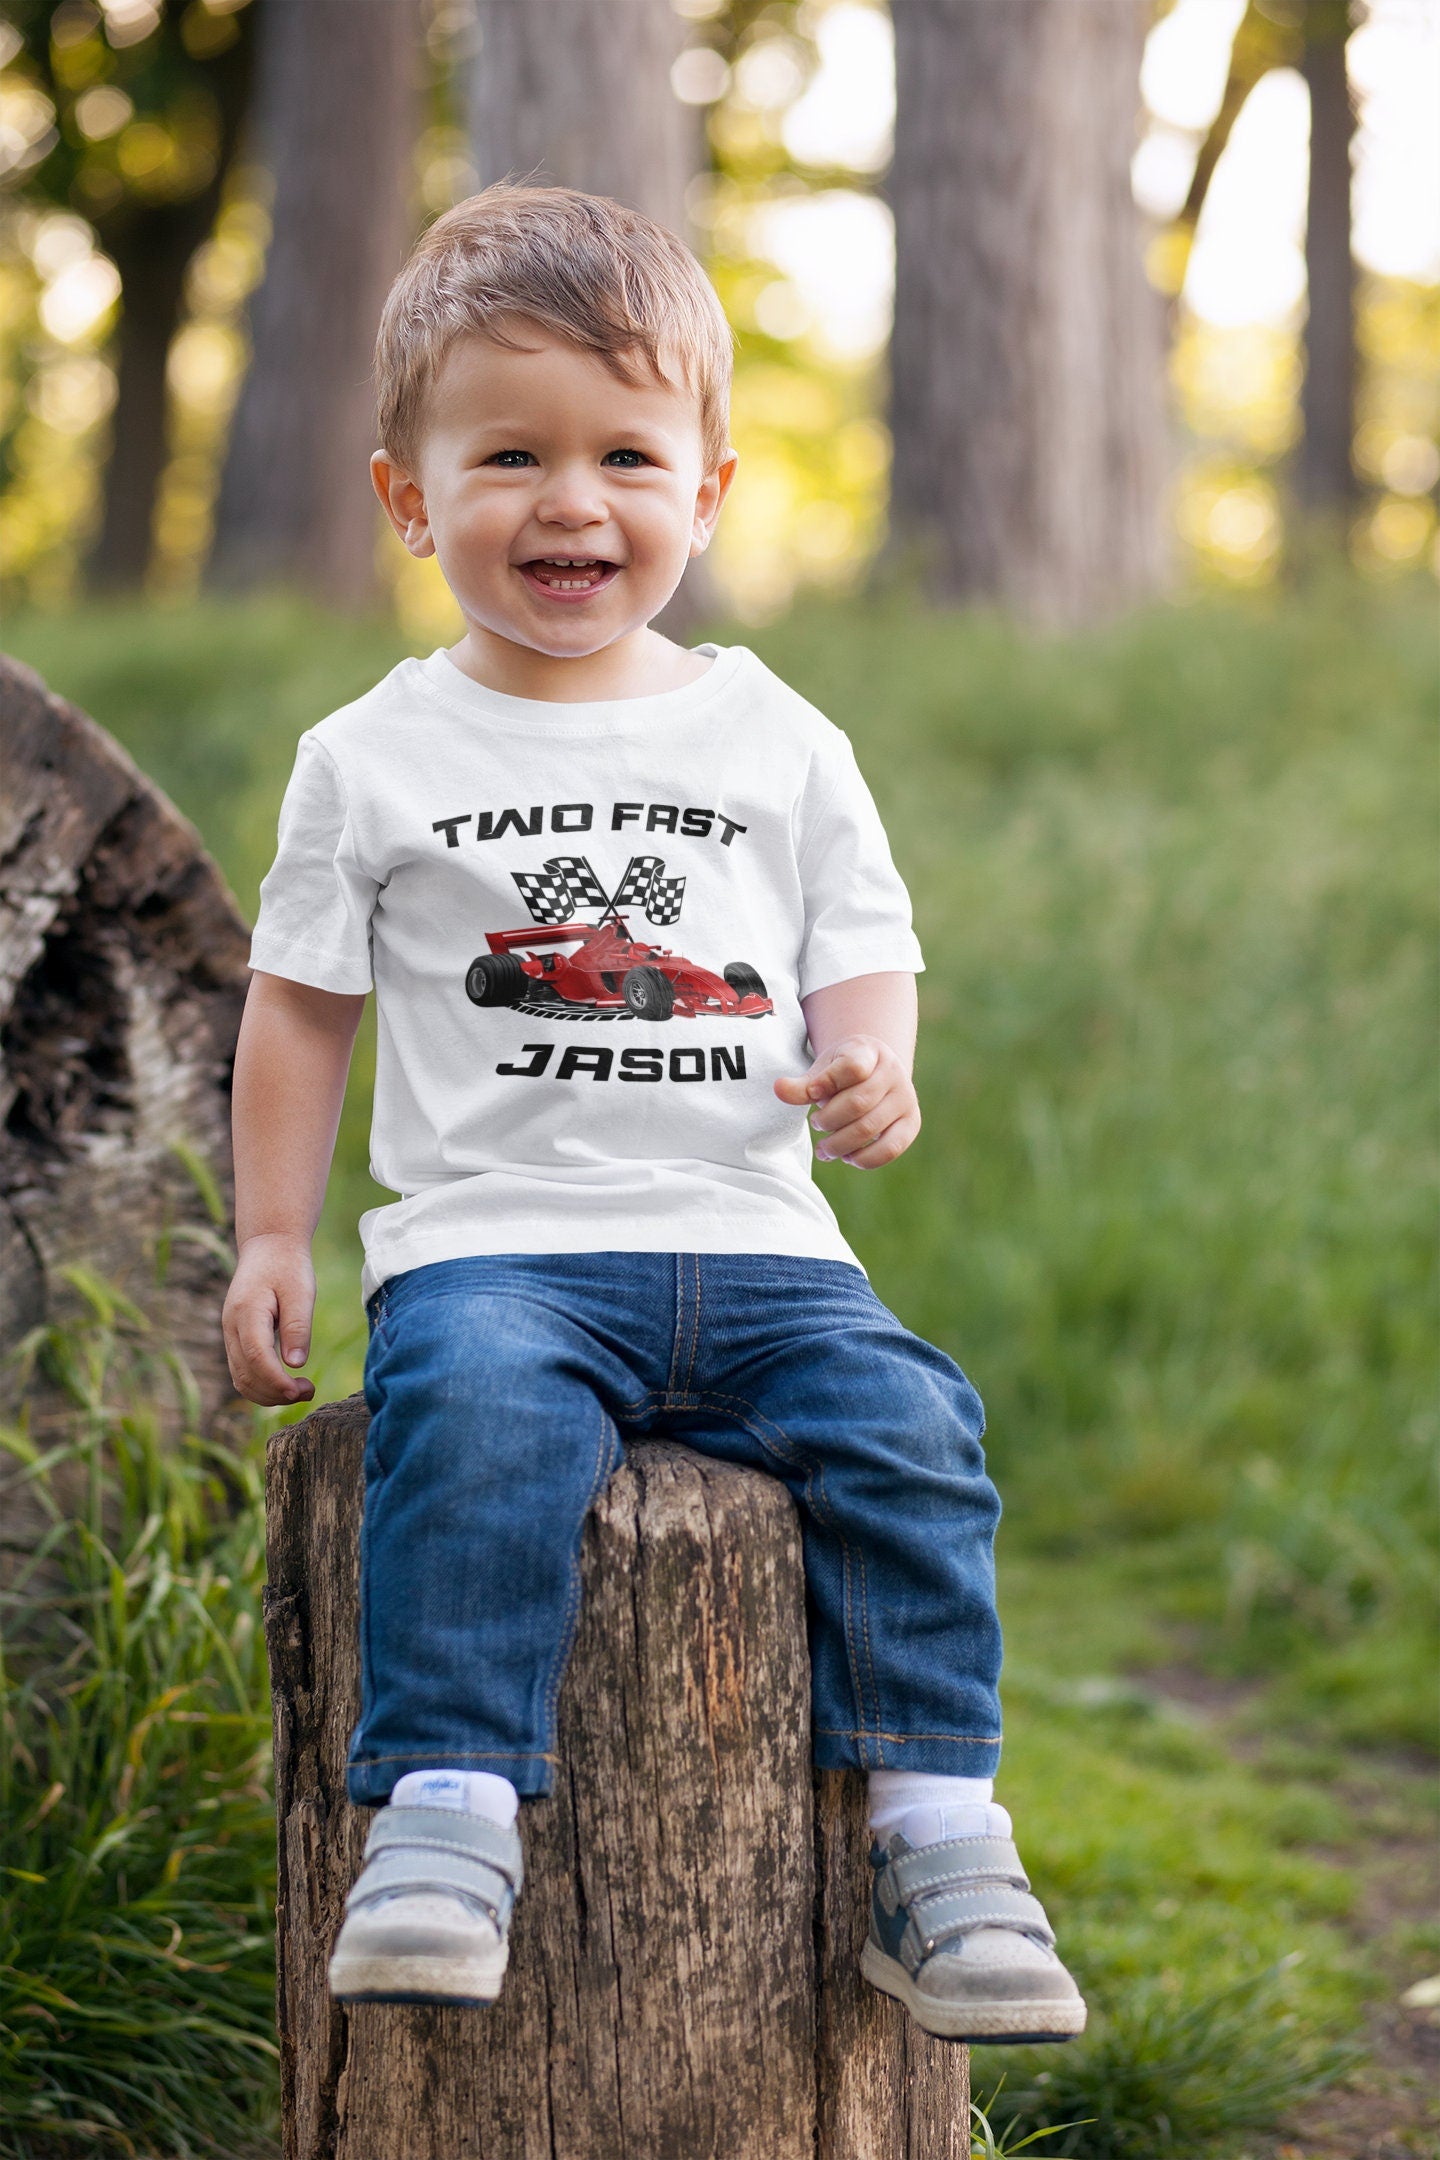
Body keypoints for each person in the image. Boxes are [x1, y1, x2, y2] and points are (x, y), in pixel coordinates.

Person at [224, 183, 1085, 2047]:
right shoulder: (371, 756)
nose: (569, 501)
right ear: (407, 495)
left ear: (703, 493)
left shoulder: (776, 733)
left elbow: (863, 943)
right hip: (499, 1250)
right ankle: (446, 1811)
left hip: (764, 1244)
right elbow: (300, 1009)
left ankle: (940, 1836)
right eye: (509, 453)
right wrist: (276, 1235)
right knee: (473, 1436)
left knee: (917, 1429)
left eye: (625, 454)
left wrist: (874, 1060)